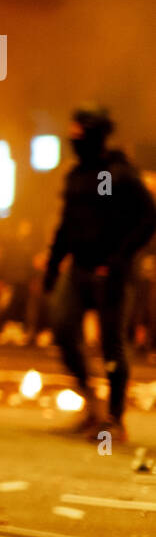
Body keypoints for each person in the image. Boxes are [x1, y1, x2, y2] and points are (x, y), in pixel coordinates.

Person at [45, 106, 156, 442]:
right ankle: (91, 401)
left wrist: (121, 260)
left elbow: (148, 218)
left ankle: (114, 419)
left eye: (80, 136)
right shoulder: (77, 175)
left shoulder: (119, 175)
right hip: (78, 269)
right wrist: (53, 264)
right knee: (63, 329)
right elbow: (67, 225)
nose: (74, 142)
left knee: (112, 345)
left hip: (112, 274)